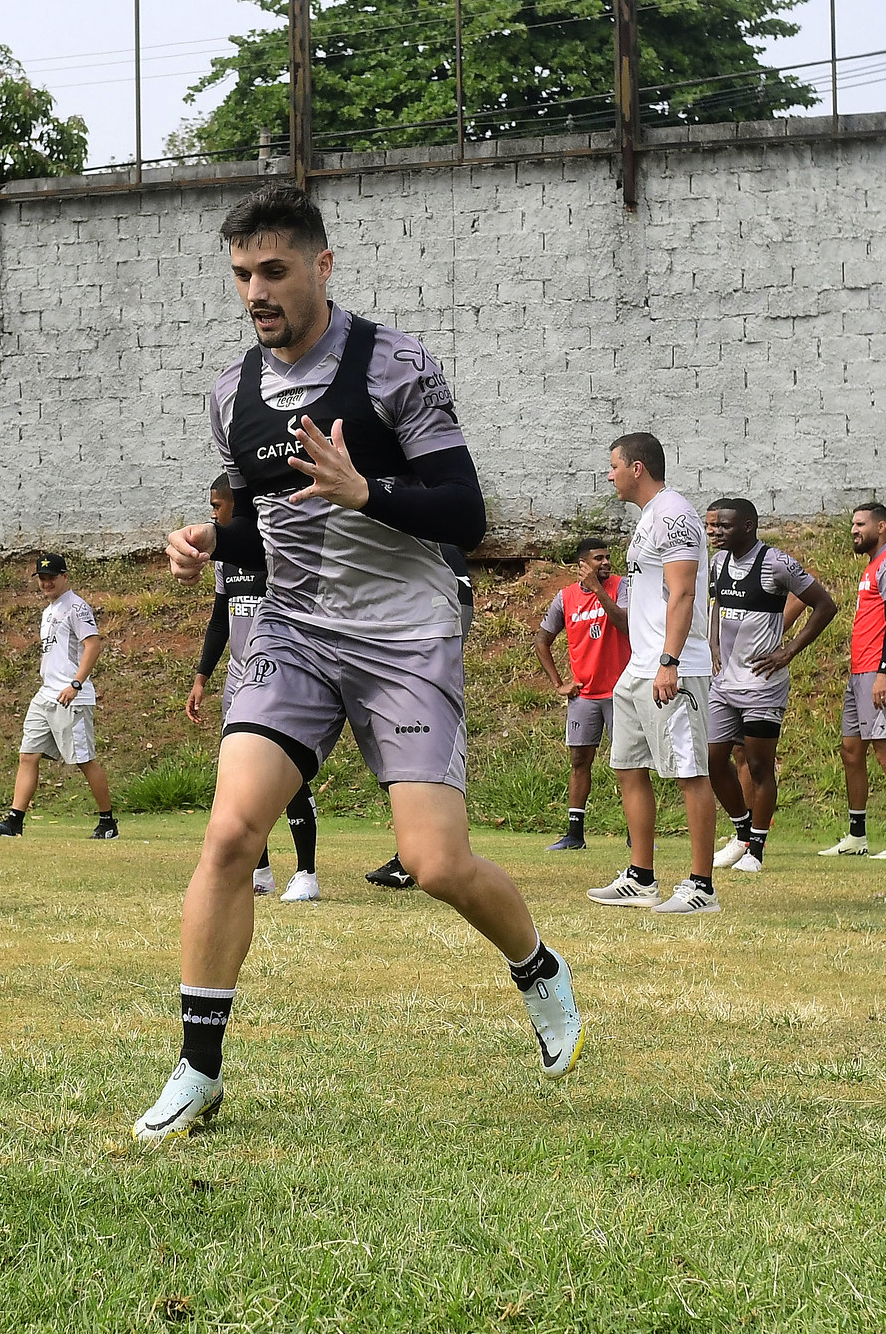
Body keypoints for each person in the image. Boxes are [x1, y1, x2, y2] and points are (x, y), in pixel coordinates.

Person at [133, 182, 581, 1143]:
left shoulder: (394, 365)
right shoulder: (232, 395)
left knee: (434, 862)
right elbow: (264, 523)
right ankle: (198, 1070)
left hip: (404, 633)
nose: (257, 292)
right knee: (229, 835)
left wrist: (367, 489)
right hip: (292, 630)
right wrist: (209, 542)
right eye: (242, 274)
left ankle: (538, 967)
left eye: (274, 271)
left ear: (322, 265)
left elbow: (467, 513)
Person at [584, 432, 720, 915]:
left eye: (614, 466)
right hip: (638, 666)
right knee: (627, 765)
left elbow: (683, 593)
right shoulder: (647, 518)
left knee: (688, 771)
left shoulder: (675, 514)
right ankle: (641, 878)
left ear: (636, 468)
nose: (610, 476)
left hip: (673, 666)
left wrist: (669, 661)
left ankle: (701, 887)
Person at [189, 474, 321, 902]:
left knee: (285, 775)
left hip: (276, 677)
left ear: (236, 505)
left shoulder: (274, 551)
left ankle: (306, 873)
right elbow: (220, 619)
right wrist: (202, 677)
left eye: (217, 505)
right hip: (237, 680)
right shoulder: (224, 560)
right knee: (239, 779)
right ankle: (259, 872)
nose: (213, 514)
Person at [704, 498, 838, 873]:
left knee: (759, 765)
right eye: (713, 526)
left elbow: (825, 605)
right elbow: (716, 605)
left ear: (748, 526)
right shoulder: (718, 563)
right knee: (712, 761)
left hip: (762, 685)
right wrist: (713, 644)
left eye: (724, 526)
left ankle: (756, 850)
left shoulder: (775, 564)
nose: (716, 532)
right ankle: (742, 833)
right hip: (723, 684)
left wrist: (788, 651)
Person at [0, 554, 117, 840]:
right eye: (42, 578)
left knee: (84, 760)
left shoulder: (76, 607)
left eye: (52, 577)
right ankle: (14, 821)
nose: (46, 583)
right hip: (46, 694)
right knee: (27, 755)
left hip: (71, 696)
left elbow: (93, 646)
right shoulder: (49, 611)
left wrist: (75, 684)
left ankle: (108, 823)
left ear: (65, 576)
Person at [363, 543, 476, 890]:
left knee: (423, 766)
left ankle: (421, 857)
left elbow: (463, 607)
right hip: (397, 666)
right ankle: (414, 855)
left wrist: (434, 662)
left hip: (420, 674)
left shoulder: (438, 545)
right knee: (405, 765)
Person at [817, 503, 886, 860]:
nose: (854, 530)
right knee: (851, 750)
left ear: (881, 527)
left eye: (861, 524)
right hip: (860, 673)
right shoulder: (873, 564)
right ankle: (856, 836)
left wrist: (883, 672)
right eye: (852, 523)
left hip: (881, 674)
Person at [533, 536, 630, 851]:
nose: (606, 562)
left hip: (620, 692)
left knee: (628, 763)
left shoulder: (622, 586)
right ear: (582, 564)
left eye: (607, 557)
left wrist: (598, 590)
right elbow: (542, 642)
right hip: (584, 695)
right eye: (598, 558)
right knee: (579, 760)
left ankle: (636, 835)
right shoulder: (565, 598)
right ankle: (574, 835)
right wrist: (558, 683)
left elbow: (625, 624)